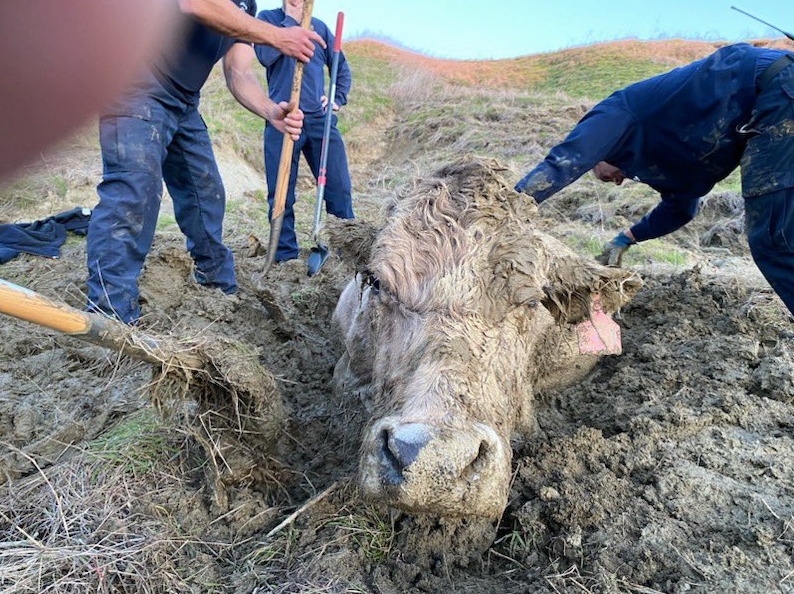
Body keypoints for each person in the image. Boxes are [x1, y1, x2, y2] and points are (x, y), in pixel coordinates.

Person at [85, 0, 326, 324]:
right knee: (135, 192)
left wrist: (271, 111)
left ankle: (215, 283)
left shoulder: (247, 7)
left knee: (206, 194)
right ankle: (108, 314)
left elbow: (237, 71)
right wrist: (277, 36)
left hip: (183, 103)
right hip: (136, 85)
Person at [515, 43, 794, 316]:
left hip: (774, 86)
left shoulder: (619, 111)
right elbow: (681, 210)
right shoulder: (670, 163)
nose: (616, 182)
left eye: (600, 174)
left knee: (774, 240)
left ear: (600, 152)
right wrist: (626, 238)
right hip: (776, 98)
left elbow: (568, 159)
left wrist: (508, 205)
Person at [254, 0, 354, 263]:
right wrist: (291, 22)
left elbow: (340, 68)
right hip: (283, 120)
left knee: (339, 188)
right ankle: (284, 255)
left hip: (320, 121)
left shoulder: (319, 28)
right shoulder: (268, 19)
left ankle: (342, 253)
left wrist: (336, 99)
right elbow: (265, 57)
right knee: (281, 192)